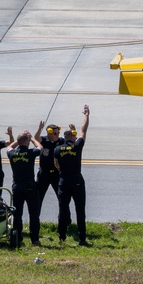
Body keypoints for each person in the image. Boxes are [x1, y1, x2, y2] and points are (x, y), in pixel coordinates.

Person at [54, 105, 90, 245]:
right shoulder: (77, 145)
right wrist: (86, 115)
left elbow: (56, 164)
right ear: (73, 137)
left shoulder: (57, 149)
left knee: (63, 210)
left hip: (64, 180)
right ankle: (82, 239)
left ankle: (62, 238)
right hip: (77, 180)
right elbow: (83, 130)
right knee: (80, 210)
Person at [7, 127, 42, 245]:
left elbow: (9, 147)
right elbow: (40, 148)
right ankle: (35, 239)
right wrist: (32, 138)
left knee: (17, 213)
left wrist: (19, 139)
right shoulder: (30, 153)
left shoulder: (12, 154)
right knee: (34, 213)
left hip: (17, 186)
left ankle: (18, 237)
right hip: (30, 186)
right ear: (26, 142)